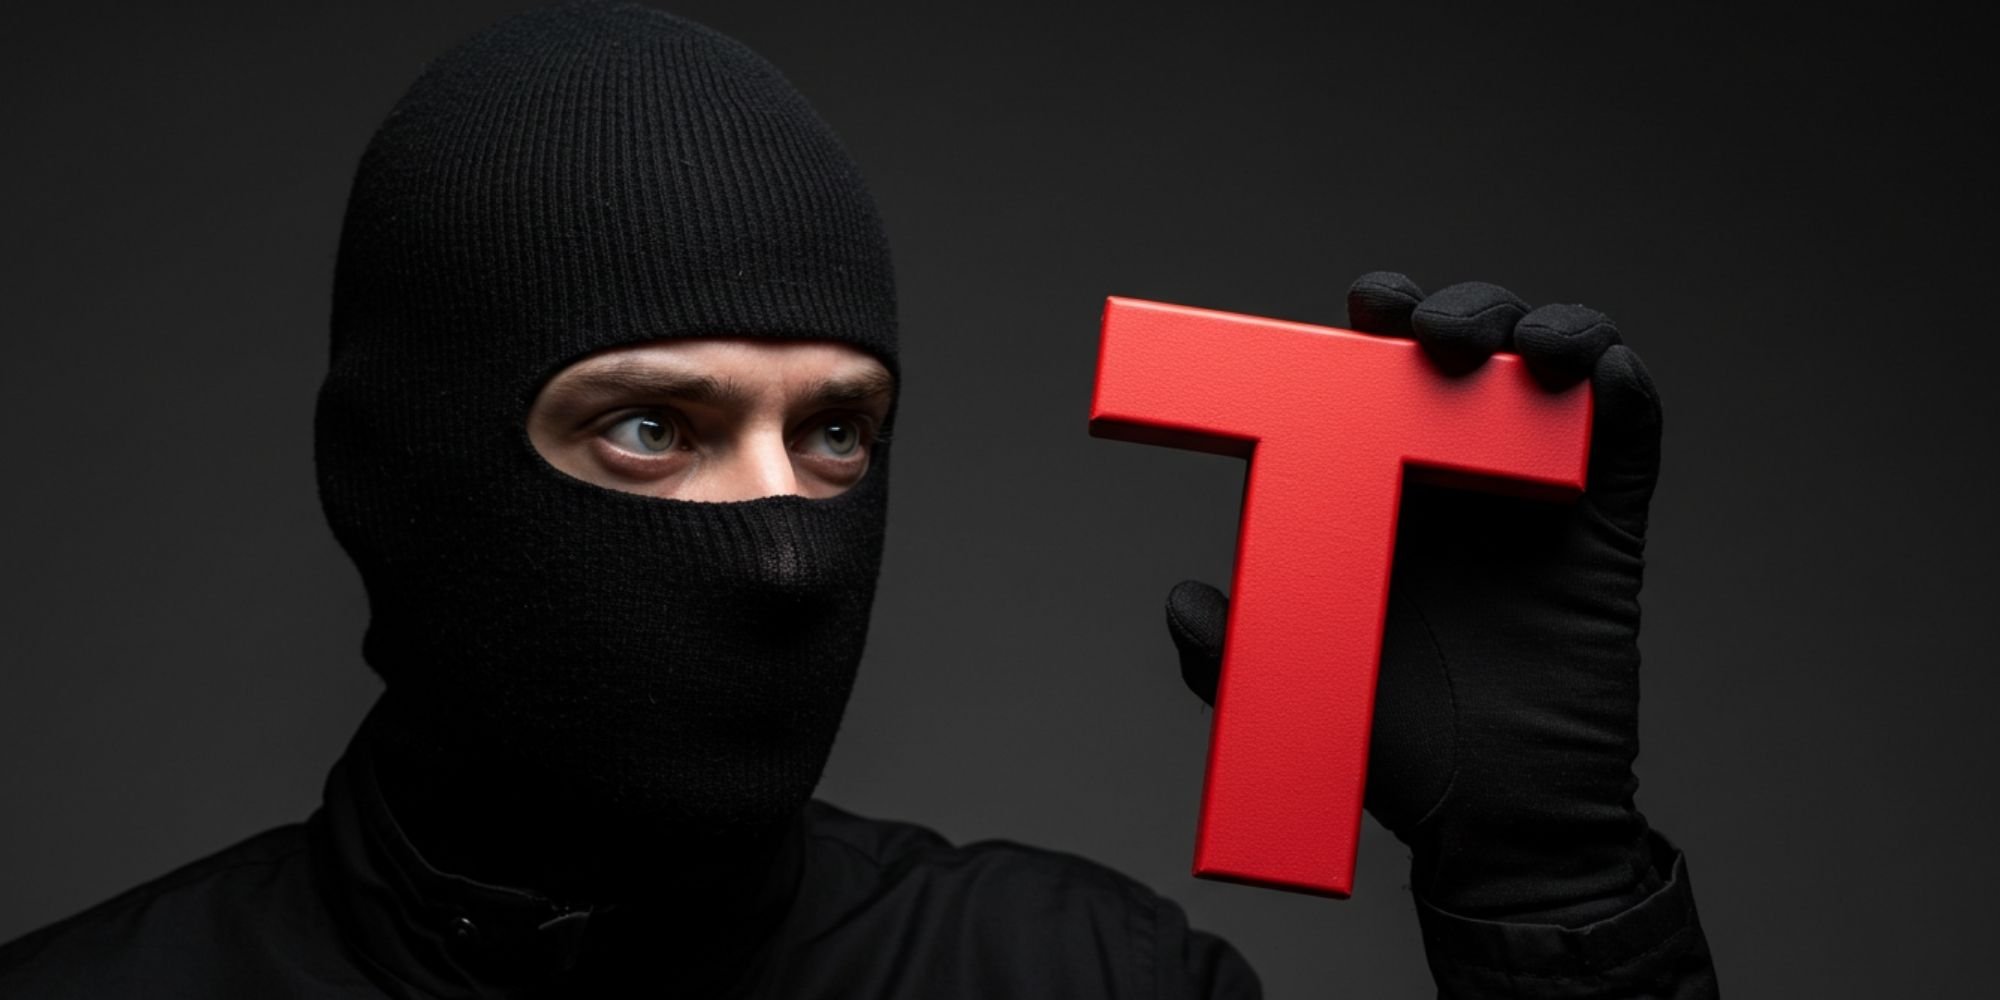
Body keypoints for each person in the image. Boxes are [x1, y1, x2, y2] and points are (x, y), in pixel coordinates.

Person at [0, 4, 1717, 997]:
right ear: (386, 484)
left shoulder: (1081, 986)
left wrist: (1550, 899)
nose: (782, 539)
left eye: (838, 434)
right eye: (655, 429)